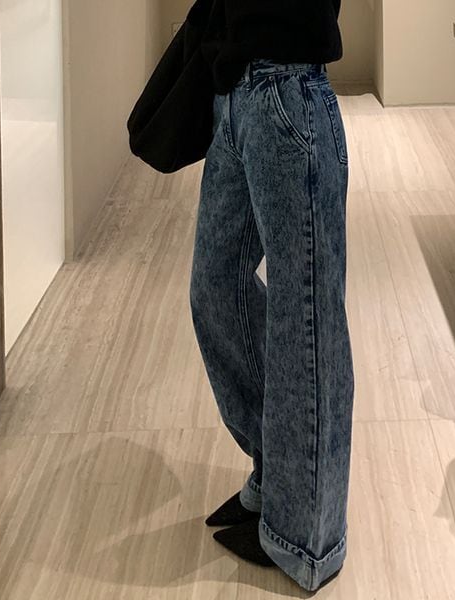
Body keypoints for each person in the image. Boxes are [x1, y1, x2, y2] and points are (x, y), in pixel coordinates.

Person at [188, 0, 355, 592]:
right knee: (215, 286)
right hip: (237, 91)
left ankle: (308, 538)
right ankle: (280, 479)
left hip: (290, 88)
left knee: (305, 316)